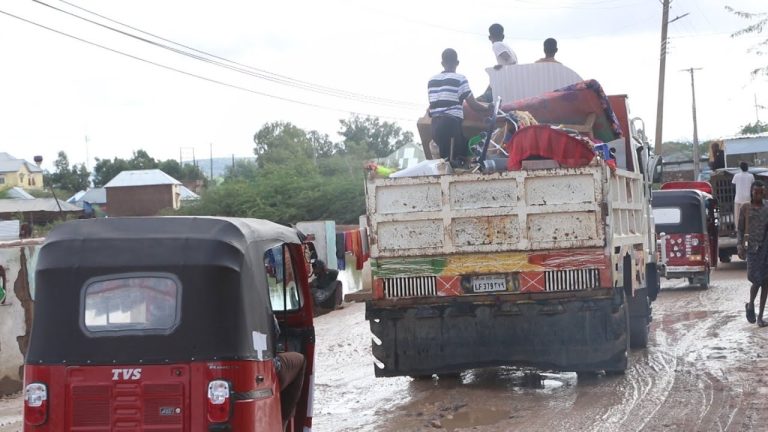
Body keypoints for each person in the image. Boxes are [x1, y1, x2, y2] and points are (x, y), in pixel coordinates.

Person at [428, 48, 490, 164]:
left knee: (457, 153)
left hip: (435, 126)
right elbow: (473, 105)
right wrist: (488, 109)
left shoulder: (432, 80)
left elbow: (432, 105)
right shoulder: (460, 79)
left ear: (442, 63)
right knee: (453, 163)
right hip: (450, 125)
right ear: (457, 63)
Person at [737, 181, 768, 327]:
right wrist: (739, 246)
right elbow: (740, 230)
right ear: (751, 192)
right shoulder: (745, 208)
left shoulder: (767, 207)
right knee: (755, 279)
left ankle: (761, 316)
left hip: (766, 249)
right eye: (756, 192)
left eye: (761, 192)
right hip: (752, 250)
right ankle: (750, 305)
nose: (758, 195)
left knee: (766, 283)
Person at [272, 316, 306, 430]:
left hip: (217, 372)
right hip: (265, 367)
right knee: (300, 360)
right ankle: (283, 423)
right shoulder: (255, 302)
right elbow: (275, 331)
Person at [733, 161, 755, 229]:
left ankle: (738, 229)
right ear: (747, 168)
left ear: (740, 168)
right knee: (748, 215)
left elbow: (733, 184)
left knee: (738, 216)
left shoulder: (736, 176)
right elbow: (753, 185)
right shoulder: (751, 176)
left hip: (738, 198)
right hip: (748, 198)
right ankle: (749, 228)